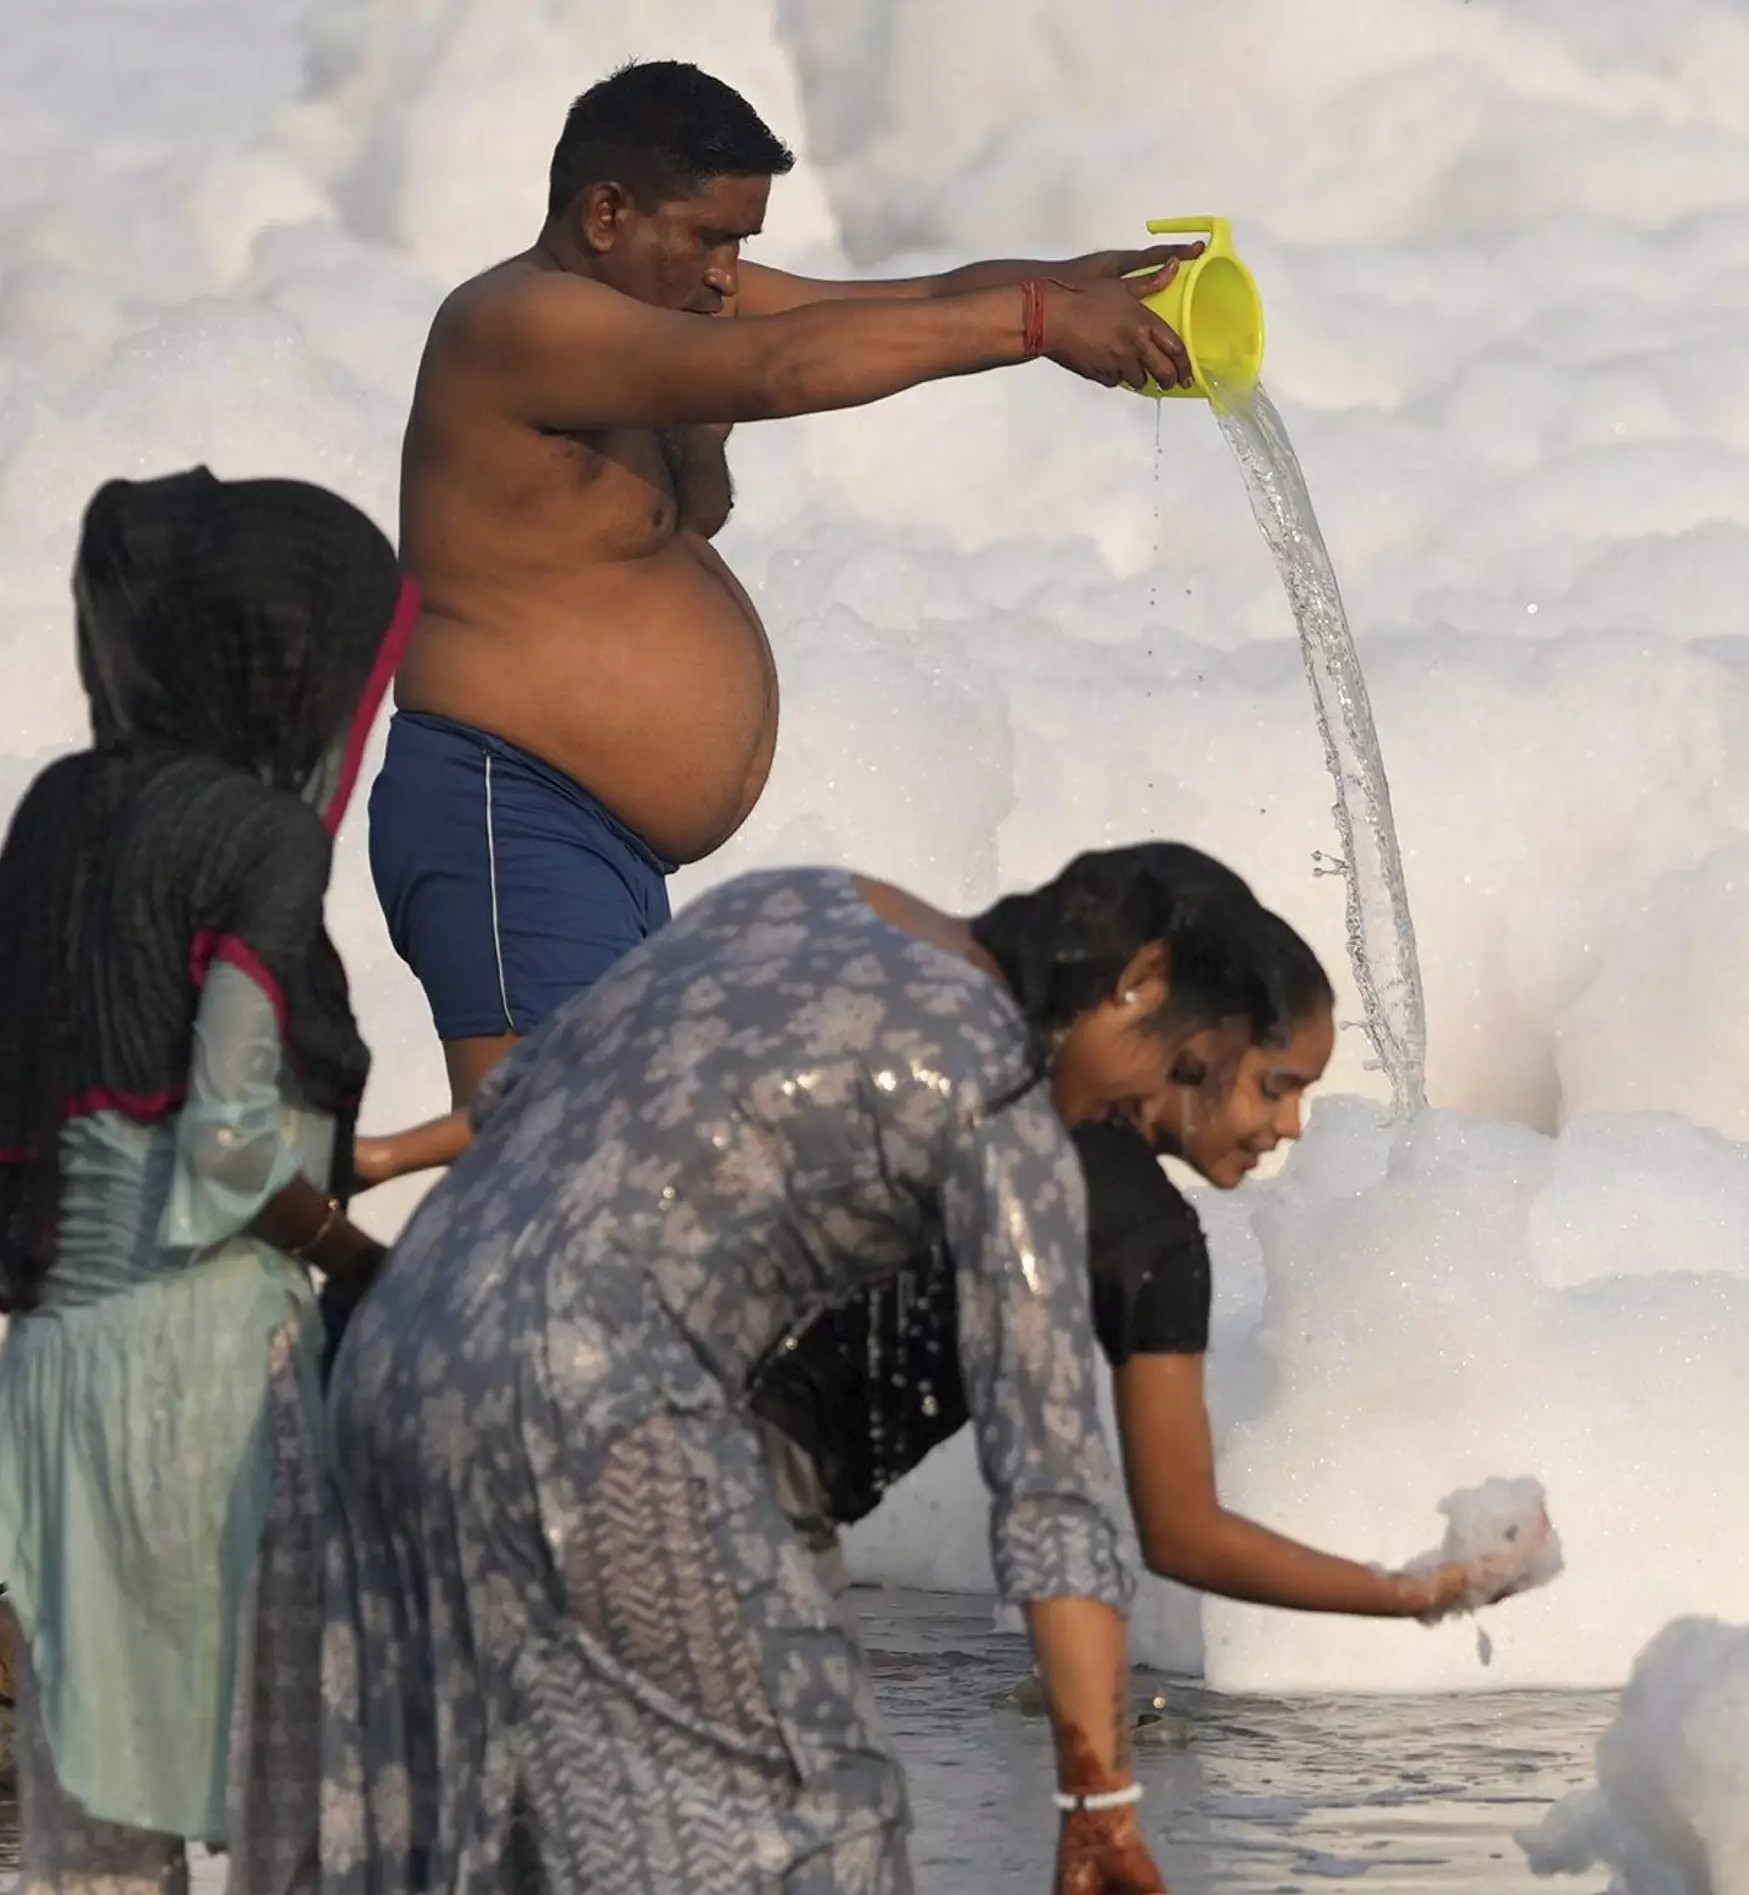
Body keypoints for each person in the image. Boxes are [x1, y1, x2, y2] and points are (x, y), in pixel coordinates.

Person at [314, 845, 1318, 1895]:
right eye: (1178, 1057)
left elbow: (536, 1089)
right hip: (604, 1420)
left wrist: (375, 1162)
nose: (1143, 1103)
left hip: (390, 1372)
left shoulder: (788, 904)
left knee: (525, 1888)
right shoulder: (998, 1087)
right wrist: (1096, 1803)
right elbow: (1049, 1492)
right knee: (823, 1845)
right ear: (1136, 983)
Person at [369, 57, 1207, 1127]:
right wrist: (1040, 320)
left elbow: (899, 303)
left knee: (612, 1178)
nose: (729, 273)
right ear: (607, 212)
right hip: (510, 810)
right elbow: (784, 369)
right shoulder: (520, 323)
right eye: (710, 237)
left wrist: (1074, 285)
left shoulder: (670, 297)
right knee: (543, 1179)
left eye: (744, 244)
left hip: (606, 842)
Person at [0, 471, 414, 1895]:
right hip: (217, 1370)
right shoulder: (260, 836)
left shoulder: (59, 812)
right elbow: (223, 1144)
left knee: (90, 1830)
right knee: (298, 1807)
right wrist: (370, 1266)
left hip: (53, 1367)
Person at [750, 877, 1560, 1620]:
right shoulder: (1145, 1237)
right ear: (1194, 1052)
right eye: (1274, 1088)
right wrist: (1423, 1590)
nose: (1292, 1126)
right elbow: (1181, 1533)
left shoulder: (1007, 1091)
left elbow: (842, 905)